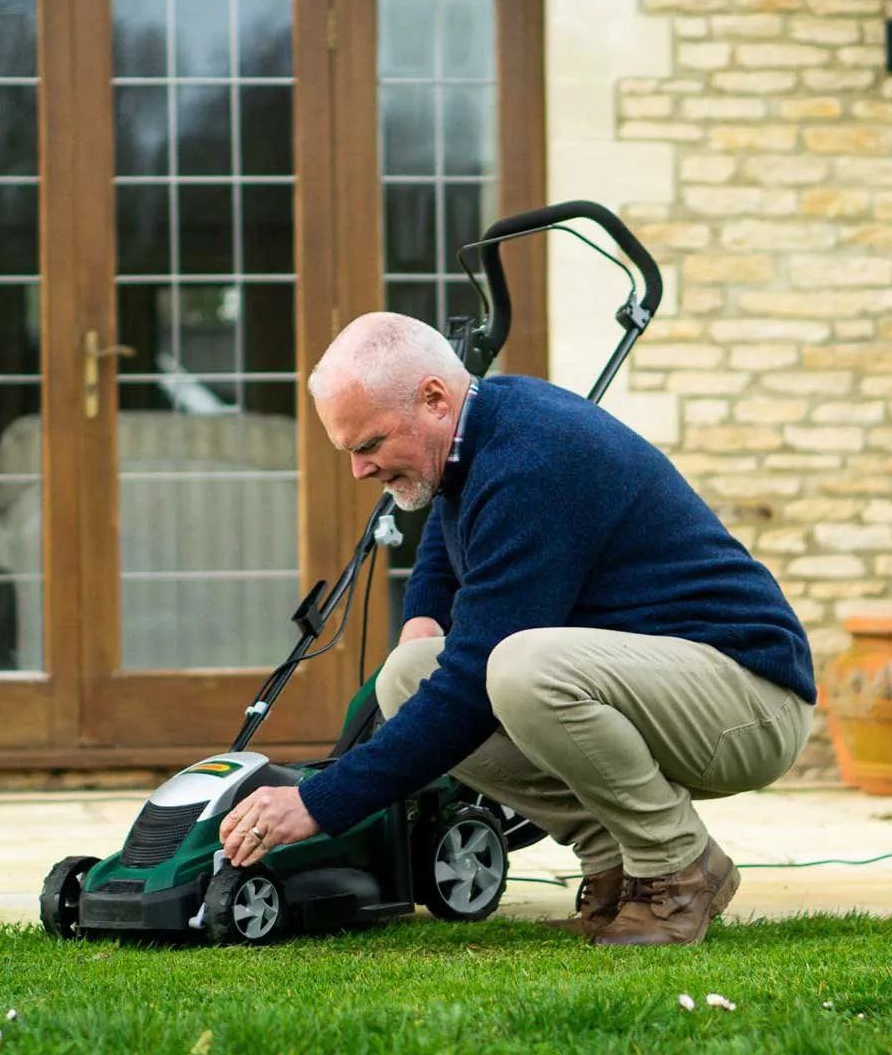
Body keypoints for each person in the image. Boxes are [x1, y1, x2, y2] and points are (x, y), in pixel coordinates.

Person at [219, 310, 816, 946]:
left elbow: (475, 683)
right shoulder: (481, 430)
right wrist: (424, 615)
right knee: (407, 677)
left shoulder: (533, 458)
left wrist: (319, 801)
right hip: (666, 688)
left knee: (520, 668)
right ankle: (616, 862)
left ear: (433, 398)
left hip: (749, 700)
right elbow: (450, 536)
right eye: (350, 451)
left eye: (369, 446)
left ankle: (677, 867)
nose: (360, 471)